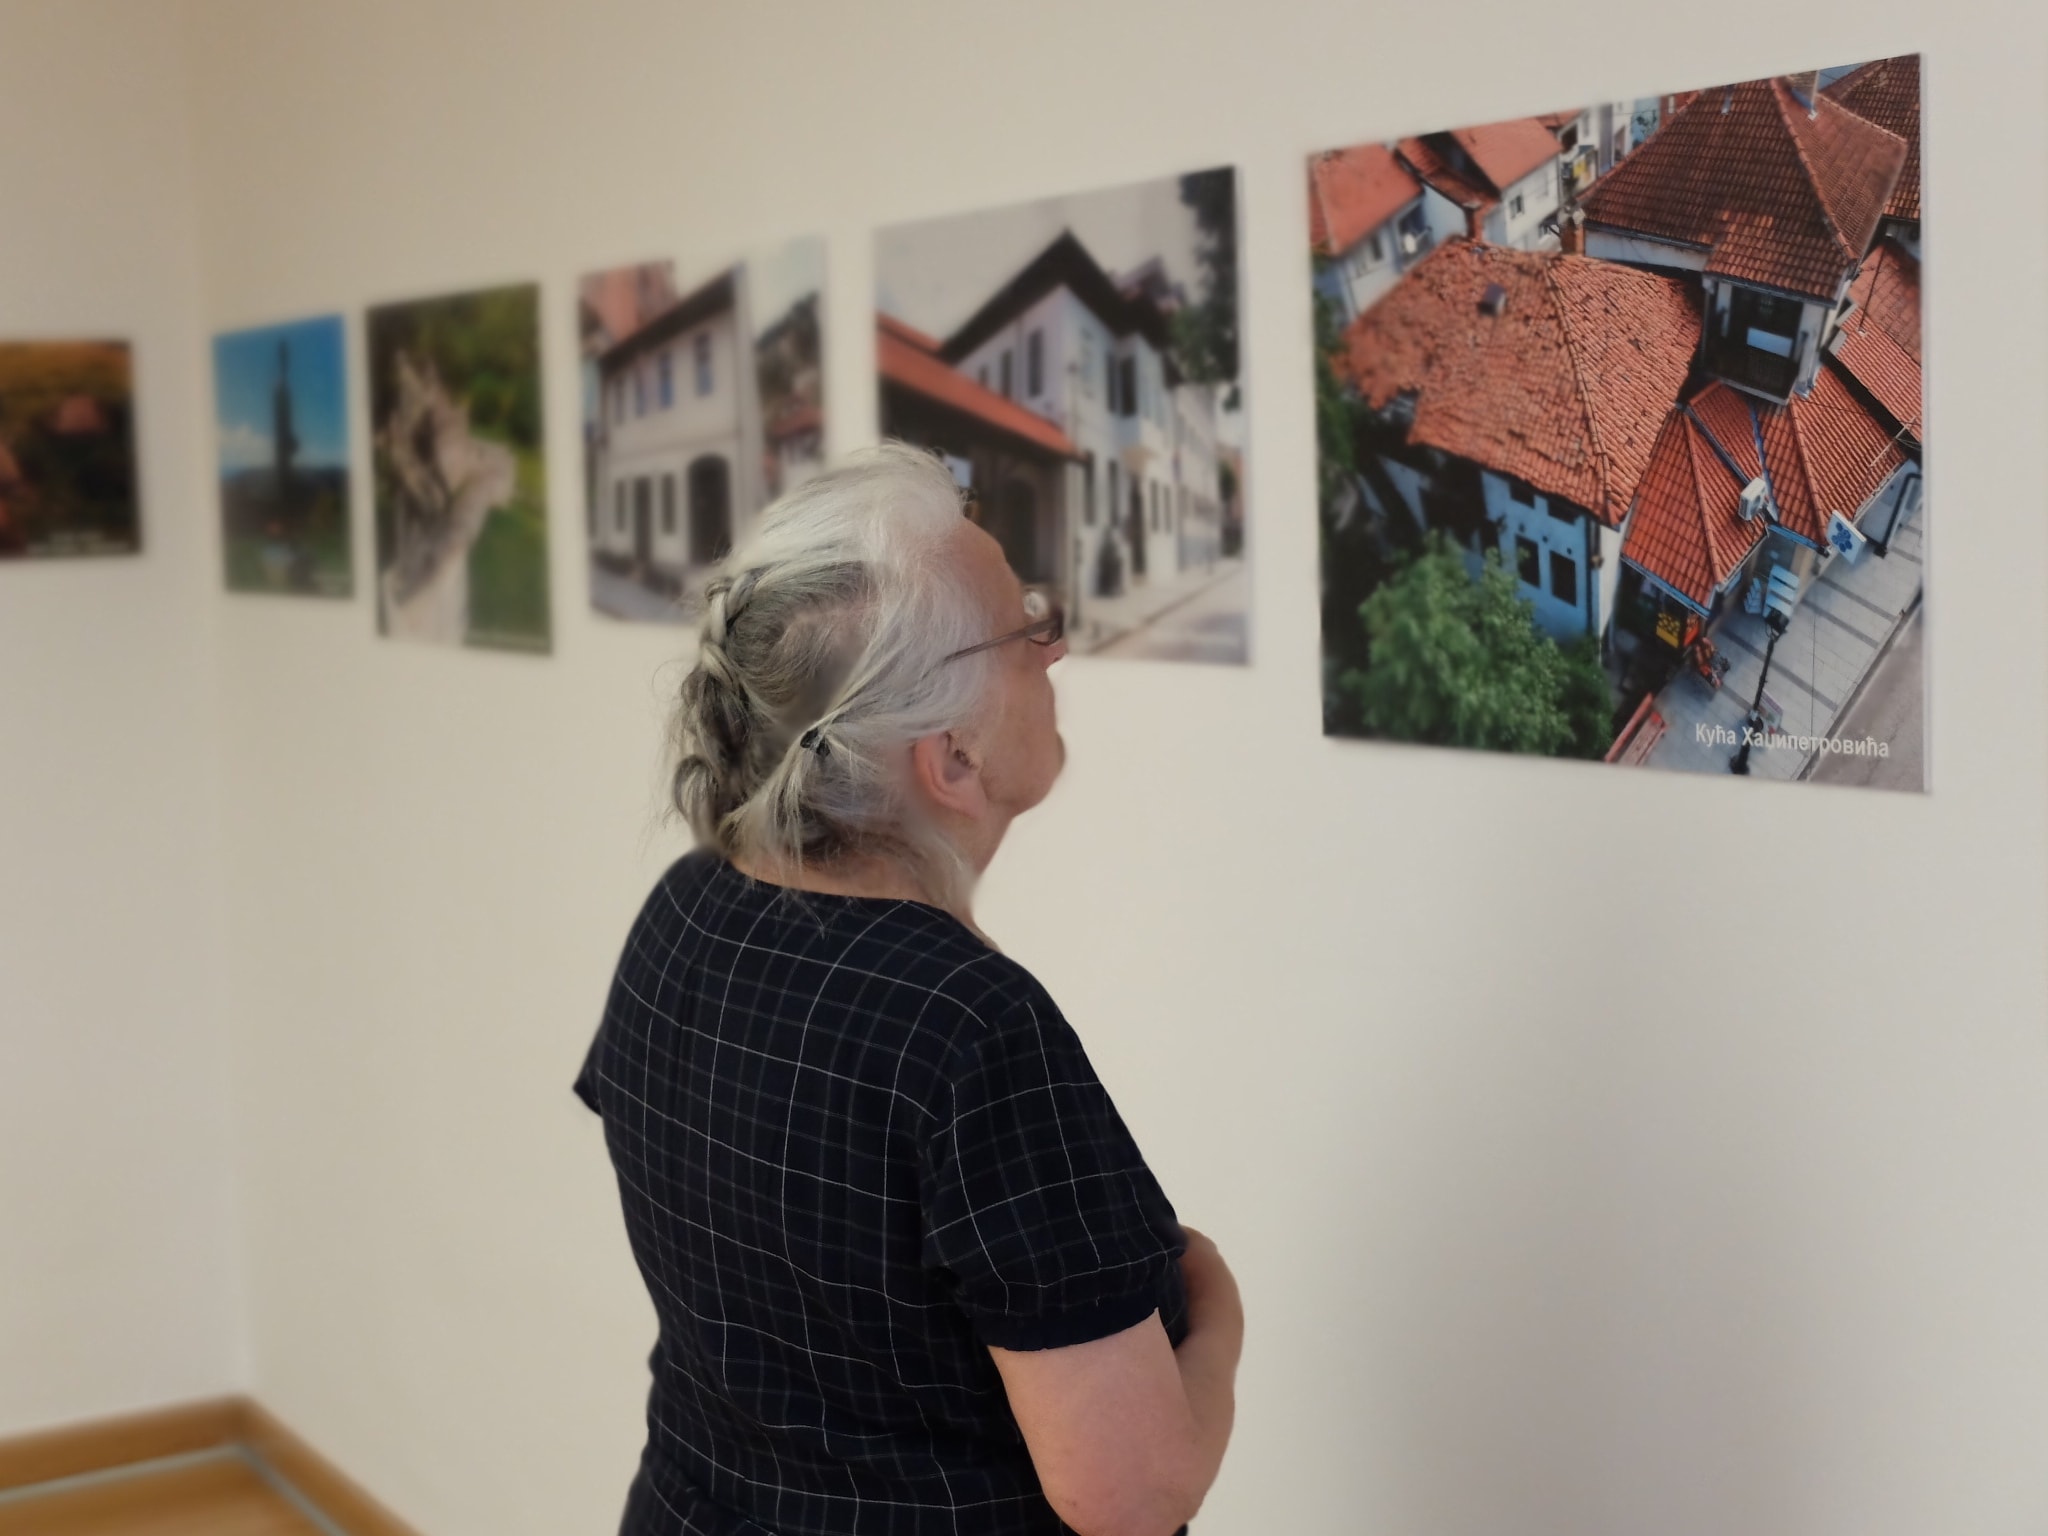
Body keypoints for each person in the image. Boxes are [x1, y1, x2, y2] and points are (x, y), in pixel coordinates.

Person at [574, 444, 1243, 1536]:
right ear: (952, 760)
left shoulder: (684, 913)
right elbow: (1129, 1492)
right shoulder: (972, 1028)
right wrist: (1219, 1314)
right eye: (1024, 628)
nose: (1057, 646)